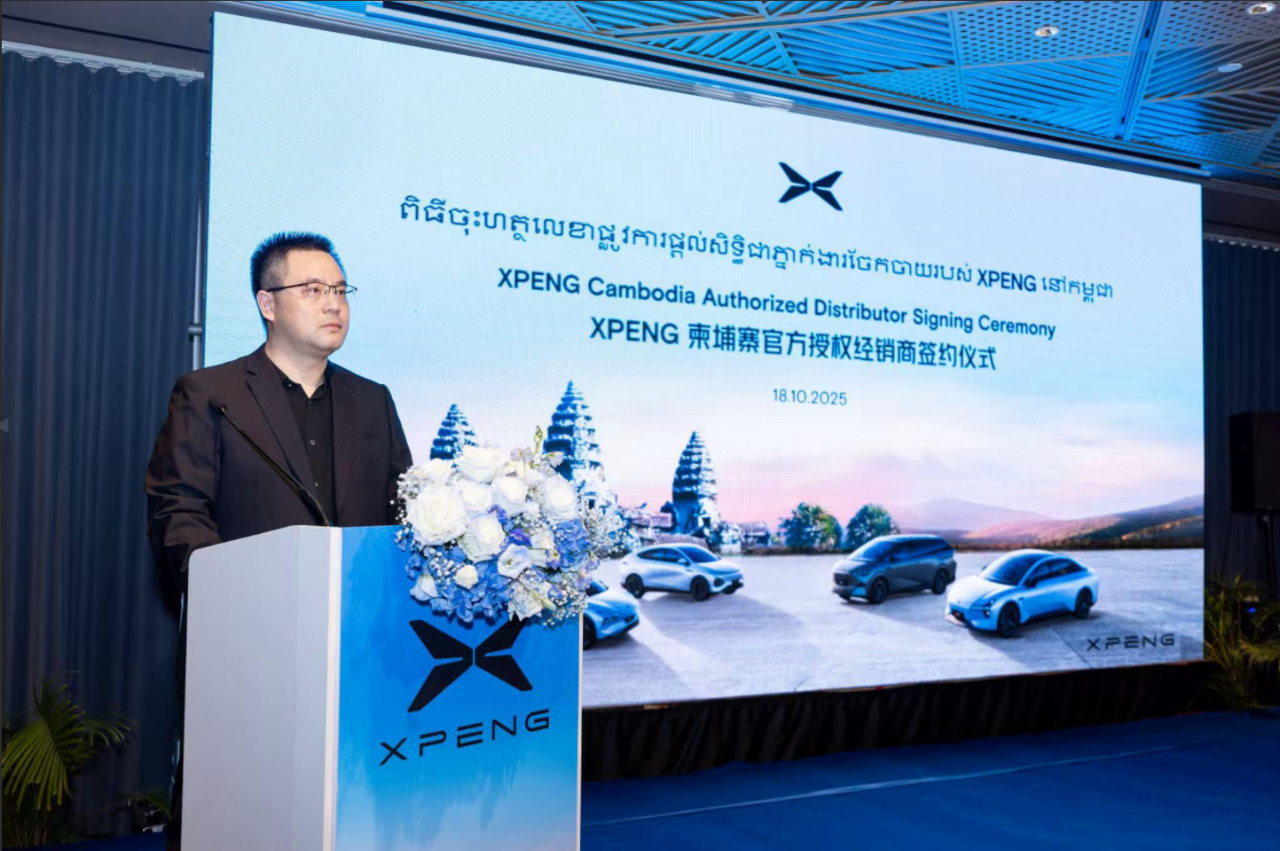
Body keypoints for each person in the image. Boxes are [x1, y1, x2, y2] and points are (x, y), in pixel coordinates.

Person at [144, 231, 413, 848]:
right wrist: (233, 592)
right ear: (267, 303)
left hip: (359, 649)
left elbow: (404, 513)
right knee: (237, 811)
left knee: (346, 809)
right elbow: (178, 511)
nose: (334, 303)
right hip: (247, 647)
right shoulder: (212, 395)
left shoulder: (373, 401)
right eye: (313, 289)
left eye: (340, 289)